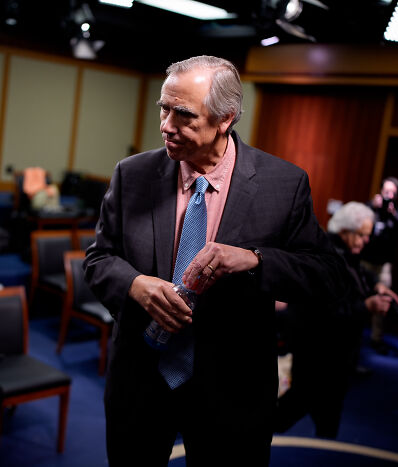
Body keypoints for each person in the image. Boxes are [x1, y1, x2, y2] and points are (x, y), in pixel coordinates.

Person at [83, 55, 349, 465]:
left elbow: (329, 275)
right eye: (163, 108)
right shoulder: (131, 174)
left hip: (233, 389)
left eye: (183, 114)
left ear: (225, 119)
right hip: (140, 381)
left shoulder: (284, 184)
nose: (166, 126)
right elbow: (99, 259)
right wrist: (136, 285)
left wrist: (257, 260)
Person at [274, 201, 398, 438]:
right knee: (299, 407)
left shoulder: (345, 253)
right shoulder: (329, 257)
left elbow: (362, 274)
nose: (365, 241)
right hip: (318, 349)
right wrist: (366, 306)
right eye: (362, 236)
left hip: (334, 354)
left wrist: (378, 285)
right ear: (345, 231)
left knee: (320, 412)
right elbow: (325, 312)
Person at [360, 176, 398, 354]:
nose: (388, 195)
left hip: (384, 265)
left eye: (392, 193)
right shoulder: (370, 207)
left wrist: (394, 215)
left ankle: (376, 339)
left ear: (396, 196)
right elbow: (356, 221)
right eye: (386, 191)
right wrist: (371, 207)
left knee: (383, 301)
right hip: (364, 261)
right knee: (359, 298)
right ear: (380, 192)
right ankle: (353, 338)